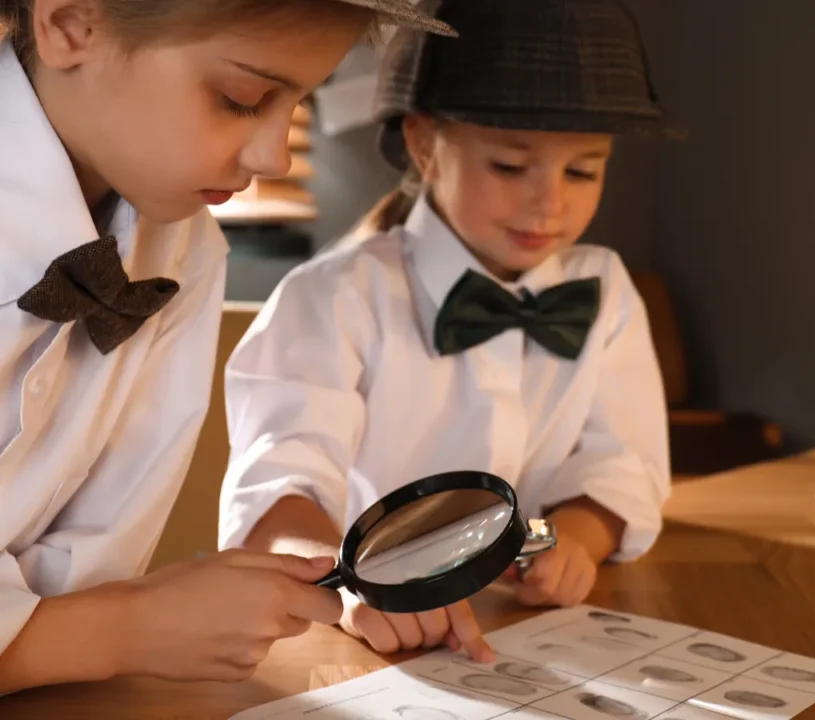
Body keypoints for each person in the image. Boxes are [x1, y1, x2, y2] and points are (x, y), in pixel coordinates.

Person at [0, 0, 453, 694]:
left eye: (300, 101)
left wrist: (106, 625)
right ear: (69, 23)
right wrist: (127, 628)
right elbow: (88, 622)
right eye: (242, 99)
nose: (275, 156)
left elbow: (87, 576)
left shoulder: (184, 248)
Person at [218, 0, 677, 661]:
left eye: (582, 169)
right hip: (357, 643)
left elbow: (620, 465)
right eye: (510, 166)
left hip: (522, 632)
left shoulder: (603, 289)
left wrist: (573, 538)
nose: (550, 201)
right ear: (425, 144)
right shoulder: (334, 297)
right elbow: (276, 494)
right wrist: (351, 585)